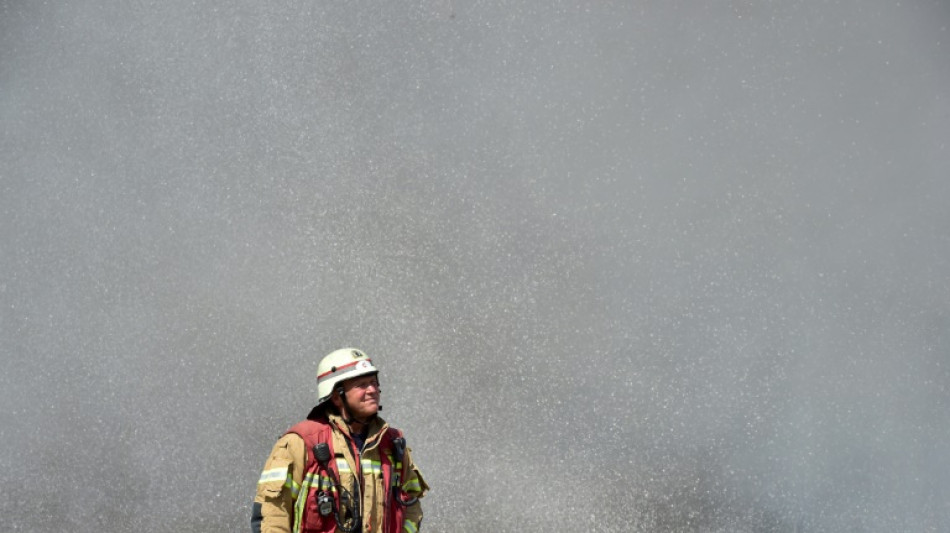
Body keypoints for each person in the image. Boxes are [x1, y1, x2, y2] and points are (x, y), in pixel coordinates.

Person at [252, 348, 427, 533]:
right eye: (362, 385)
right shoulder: (300, 443)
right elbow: (272, 515)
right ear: (336, 396)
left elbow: (411, 503)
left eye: (374, 383)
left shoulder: (392, 444)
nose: (372, 390)